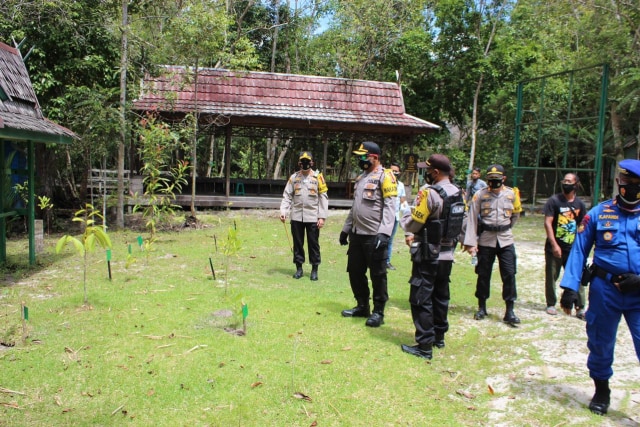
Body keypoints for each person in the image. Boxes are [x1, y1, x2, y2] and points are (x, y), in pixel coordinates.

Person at [559, 159, 640, 416]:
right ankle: (601, 390)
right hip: (605, 290)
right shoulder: (598, 213)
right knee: (601, 342)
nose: (632, 188)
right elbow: (580, 249)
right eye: (628, 183)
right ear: (619, 183)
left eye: (638, 184)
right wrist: (570, 288)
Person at [400, 154, 465, 359]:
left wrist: (404, 217)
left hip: (428, 254)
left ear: (435, 172)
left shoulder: (429, 193)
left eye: (428, 171)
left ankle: (424, 346)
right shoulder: (458, 192)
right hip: (447, 254)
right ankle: (439, 337)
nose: (426, 174)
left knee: (421, 298)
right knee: (441, 296)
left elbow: (415, 222)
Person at [339, 141, 397, 327]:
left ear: (375, 157)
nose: (360, 160)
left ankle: (378, 311)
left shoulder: (385, 176)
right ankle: (362, 305)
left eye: (364, 156)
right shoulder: (361, 178)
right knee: (355, 272)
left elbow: (390, 206)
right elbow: (355, 207)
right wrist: (346, 229)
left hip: (374, 235)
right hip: (357, 234)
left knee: (378, 274)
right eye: (359, 156)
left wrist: (385, 233)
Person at [463, 164, 523, 325]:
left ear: (503, 179)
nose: (493, 183)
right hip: (486, 239)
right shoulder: (480, 195)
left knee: (509, 274)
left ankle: (509, 310)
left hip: (505, 239)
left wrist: (505, 228)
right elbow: (472, 218)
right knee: (483, 274)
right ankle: (481, 307)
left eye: (496, 180)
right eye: (490, 180)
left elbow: (515, 215)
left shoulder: (512, 194)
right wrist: (471, 243)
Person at [543, 173, 587, 317]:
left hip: (572, 248)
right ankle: (551, 303)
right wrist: (554, 244)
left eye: (569, 181)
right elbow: (548, 223)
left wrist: (580, 248)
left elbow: (582, 226)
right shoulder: (554, 201)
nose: (566, 183)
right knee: (551, 277)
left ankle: (580, 307)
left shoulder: (580, 204)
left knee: (577, 277)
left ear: (576, 184)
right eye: (564, 181)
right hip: (554, 247)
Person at [279, 151, 328, 281]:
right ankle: (299, 269)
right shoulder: (294, 178)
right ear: (299, 162)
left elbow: (323, 198)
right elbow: (287, 195)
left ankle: (314, 270)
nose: (305, 163)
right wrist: (283, 211)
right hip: (296, 217)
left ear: (312, 162)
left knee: (313, 244)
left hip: (312, 217)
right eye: (303, 161)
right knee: (298, 244)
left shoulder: (318, 178)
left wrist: (322, 217)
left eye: (308, 161)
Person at [387, 162, 407, 270]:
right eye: (392, 170)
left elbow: (403, 201)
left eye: (396, 171)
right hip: (385, 217)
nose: (394, 173)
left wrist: (406, 215)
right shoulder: (384, 183)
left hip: (395, 217)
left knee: (390, 240)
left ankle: (387, 261)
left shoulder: (401, 185)